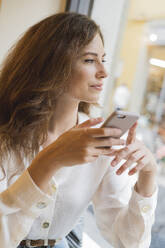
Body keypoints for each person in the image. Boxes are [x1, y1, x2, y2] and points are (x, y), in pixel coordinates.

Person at [0, 12, 158, 248]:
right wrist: (50, 160)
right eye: (89, 60)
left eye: (103, 59)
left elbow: (128, 242)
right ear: (50, 63)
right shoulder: (5, 135)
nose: (103, 72)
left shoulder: (104, 137)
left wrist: (148, 176)